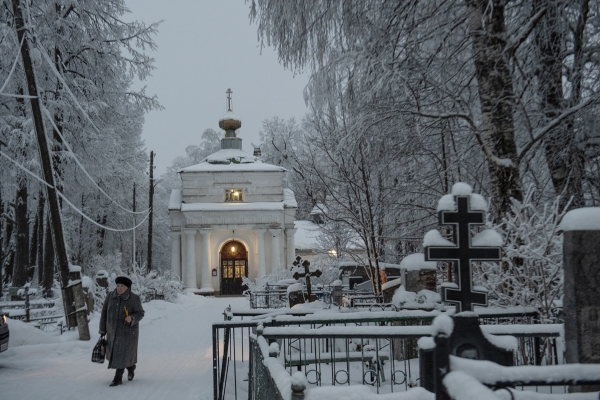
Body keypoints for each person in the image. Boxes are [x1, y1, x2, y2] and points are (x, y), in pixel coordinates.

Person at [99, 276, 145, 386]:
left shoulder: (134, 298)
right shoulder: (110, 296)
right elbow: (104, 312)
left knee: (121, 354)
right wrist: (102, 329)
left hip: (127, 332)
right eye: (118, 286)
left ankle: (117, 378)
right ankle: (131, 367)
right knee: (118, 354)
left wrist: (132, 318)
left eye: (122, 286)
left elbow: (140, 313)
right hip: (112, 331)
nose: (119, 288)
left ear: (127, 287)